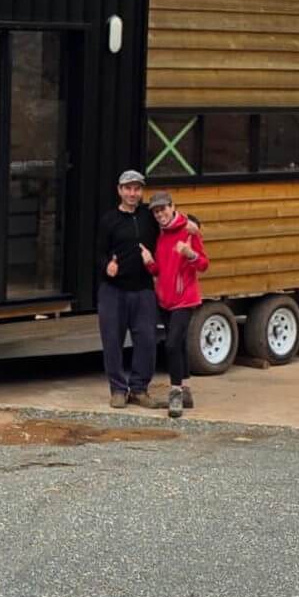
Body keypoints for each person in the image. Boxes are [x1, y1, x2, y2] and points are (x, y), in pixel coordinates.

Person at [141, 191, 209, 418]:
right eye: (156, 211)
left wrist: (190, 254)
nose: (160, 214)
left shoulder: (189, 230)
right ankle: (187, 392)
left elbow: (203, 264)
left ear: (172, 207)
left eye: (163, 209)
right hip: (166, 300)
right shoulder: (161, 234)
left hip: (185, 298)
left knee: (170, 345)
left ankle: (176, 394)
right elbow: (160, 271)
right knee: (178, 345)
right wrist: (149, 262)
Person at [96, 169, 159, 409]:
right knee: (112, 341)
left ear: (141, 192)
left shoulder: (149, 216)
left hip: (143, 289)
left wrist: (192, 227)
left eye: (137, 189)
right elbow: (99, 252)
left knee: (147, 340)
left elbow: (173, 220)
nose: (132, 193)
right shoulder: (109, 220)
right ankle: (118, 390)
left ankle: (139, 389)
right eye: (128, 189)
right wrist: (107, 266)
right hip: (113, 290)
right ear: (120, 191)